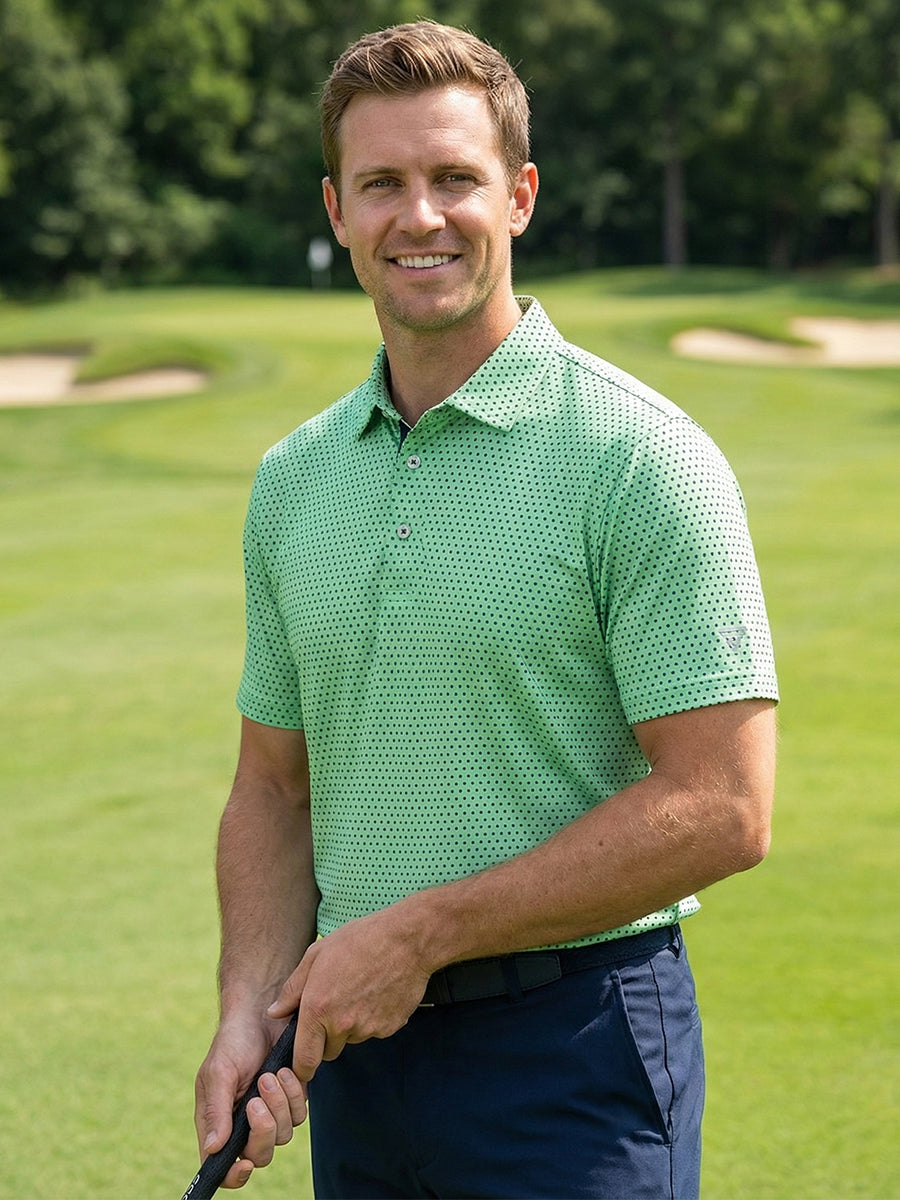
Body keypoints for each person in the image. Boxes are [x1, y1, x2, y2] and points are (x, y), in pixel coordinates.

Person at [193, 19, 778, 1200]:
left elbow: (724, 805)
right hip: (355, 1057)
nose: (420, 216)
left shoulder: (641, 456)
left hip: (575, 1054)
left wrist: (419, 936)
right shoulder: (293, 479)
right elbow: (275, 787)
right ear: (337, 211)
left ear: (518, 196)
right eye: (381, 184)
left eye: (454, 177)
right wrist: (247, 1006)